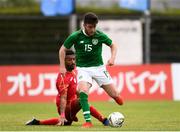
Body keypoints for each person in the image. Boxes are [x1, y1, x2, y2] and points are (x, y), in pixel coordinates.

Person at [59, 12, 123, 128]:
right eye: (90, 27)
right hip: (83, 69)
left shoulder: (99, 35)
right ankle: (88, 121)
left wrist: (112, 58)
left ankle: (116, 96)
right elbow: (62, 49)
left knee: (115, 94)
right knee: (83, 92)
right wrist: (62, 66)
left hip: (99, 68)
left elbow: (113, 45)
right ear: (84, 25)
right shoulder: (76, 36)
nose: (92, 30)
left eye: (94, 27)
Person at [26, 50, 109, 126]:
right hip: (65, 107)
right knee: (82, 101)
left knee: (66, 123)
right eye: (69, 60)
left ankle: (37, 122)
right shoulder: (63, 77)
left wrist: (79, 94)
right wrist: (62, 115)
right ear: (63, 61)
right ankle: (103, 120)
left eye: (73, 59)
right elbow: (63, 97)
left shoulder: (72, 72)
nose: (73, 62)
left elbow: (73, 89)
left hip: (71, 105)